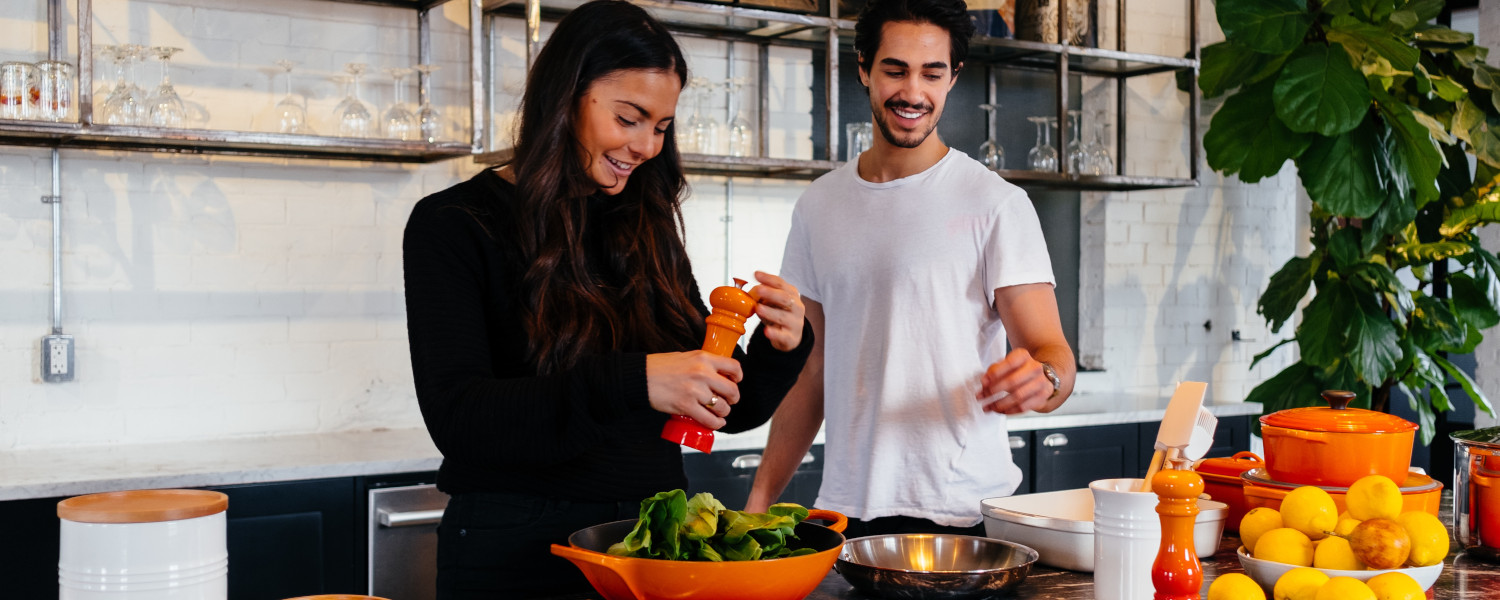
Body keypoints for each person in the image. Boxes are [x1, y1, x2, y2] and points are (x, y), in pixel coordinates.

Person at [401, 1, 812, 597]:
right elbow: (460, 419)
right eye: (630, 118)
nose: (646, 145)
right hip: (513, 550)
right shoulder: (454, 224)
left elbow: (730, 409)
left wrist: (782, 345)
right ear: (567, 96)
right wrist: (636, 381)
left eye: (662, 126)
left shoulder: (647, 224)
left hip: (648, 544)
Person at [744, 0, 1075, 538]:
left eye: (931, 73)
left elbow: (1053, 353)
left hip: (963, 515)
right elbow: (813, 369)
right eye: (894, 70)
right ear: (863, 70)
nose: (912, 92)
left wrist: (1045, 380)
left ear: (953, 78)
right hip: (848, 515)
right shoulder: (819, 204)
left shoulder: (995, 203)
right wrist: (757, 503)